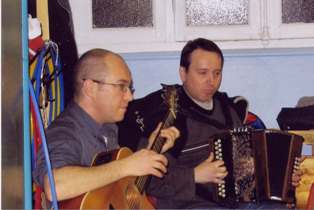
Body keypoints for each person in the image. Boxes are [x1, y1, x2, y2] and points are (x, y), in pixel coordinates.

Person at [118, 38, 301, 209]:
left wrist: (281, 178)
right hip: (190, 204)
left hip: (236, 202)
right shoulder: (166, 114)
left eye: (217, 73)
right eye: (202, 73)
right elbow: (148, 181)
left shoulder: (227, 109)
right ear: (183, 73)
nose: (211, 81)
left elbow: (248, 166)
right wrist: (195, 175)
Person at [33, 48, 180, 204]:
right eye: (122, 86)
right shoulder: (64, 132)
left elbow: (113, 188)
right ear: (91, 88)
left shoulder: (108, 127)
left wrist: (150, 151)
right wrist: (126, 166)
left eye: (130, 88)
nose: (130, 97)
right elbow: (55, 187)